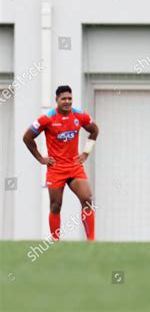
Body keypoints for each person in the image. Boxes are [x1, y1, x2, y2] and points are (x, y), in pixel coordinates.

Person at [23, 85, 99, 241]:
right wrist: (41, 158)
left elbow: (94, 130)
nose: (67, 101)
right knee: (55, 206)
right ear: (57, 100)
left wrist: (86, 152)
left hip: (74, 167)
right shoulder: (47, 118)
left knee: (87, 199)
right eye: (64, 99)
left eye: (70, 98)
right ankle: (56, 242)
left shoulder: (80, 116)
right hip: (56, 169)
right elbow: (27, 137)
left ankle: (91, 241)